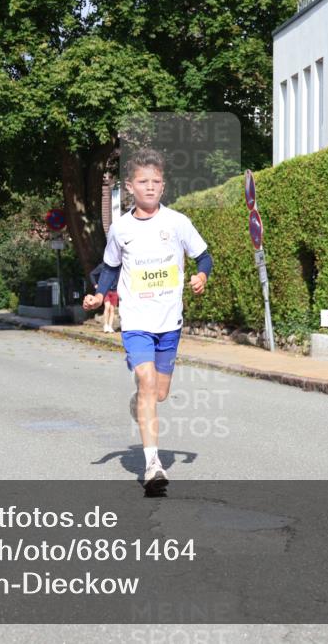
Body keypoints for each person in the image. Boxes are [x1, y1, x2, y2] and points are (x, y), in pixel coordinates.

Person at [83, 149, 212, 490]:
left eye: (156, 182)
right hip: (136, 320)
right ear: (130, 187)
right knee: (146, 381)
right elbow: (111, 267)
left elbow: (203, 255)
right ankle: (152, 466)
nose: (150, 187)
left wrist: (202, 276)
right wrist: (99, 295)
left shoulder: (177, 223)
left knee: (160, 393)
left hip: (169, 321)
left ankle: (142, 399)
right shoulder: (122, 229)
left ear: (163, 186)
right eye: (143, 182)